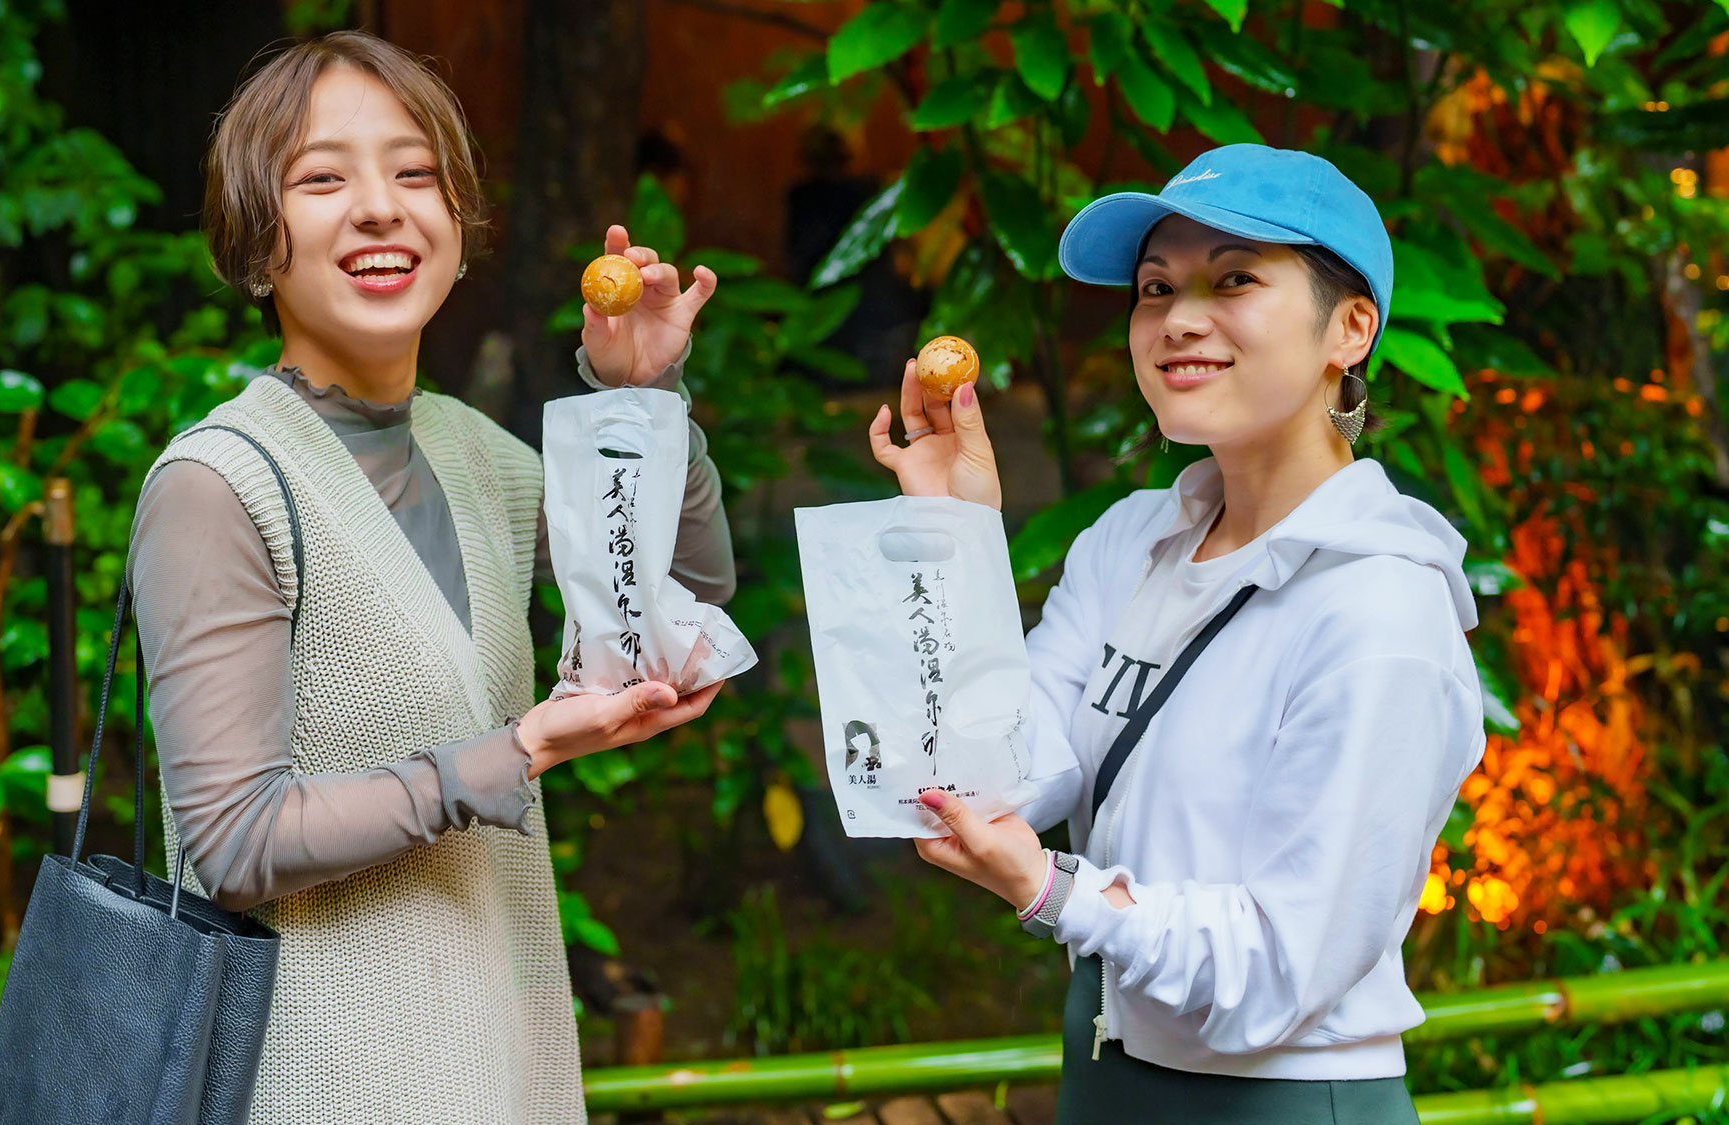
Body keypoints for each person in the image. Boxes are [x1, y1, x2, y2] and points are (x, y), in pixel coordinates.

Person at [126, 31, 734, 1122]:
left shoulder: (476, 456)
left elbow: (674, 607)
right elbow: (228, 844)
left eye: (414, 174)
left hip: (498, 1064)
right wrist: (515, 752)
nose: (379, 208)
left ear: (457, 229)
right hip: (319, 1086)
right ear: (259, 243)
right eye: (322, 178)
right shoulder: (218, 486)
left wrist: (639, 398)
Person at [869, 144, 1483, 1122]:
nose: (1176, 319)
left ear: (1350, 329)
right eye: (1154, 288)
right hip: (1104, 1068)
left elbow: (1285, 968)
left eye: (1233, 278)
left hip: (1279, 1100)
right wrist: (955, 545)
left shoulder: (1378, 611)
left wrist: (1053, 889)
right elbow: (986, 776)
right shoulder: (1131, 542)